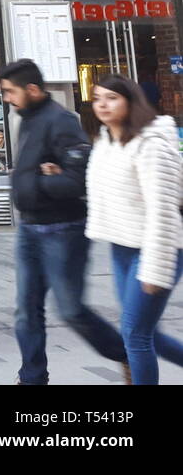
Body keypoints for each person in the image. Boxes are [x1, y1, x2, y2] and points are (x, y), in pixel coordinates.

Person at [1, 58, 129, 386]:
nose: (7, 99)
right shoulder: (26, 118)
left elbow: (77, 180)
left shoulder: (62, 121)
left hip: (63, 230)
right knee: (26, 310)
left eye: (10, 92)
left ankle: (125, 352)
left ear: (32, 89)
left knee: (71, 310)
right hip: (29, 228)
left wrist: (36, 183)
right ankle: (32, 378)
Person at [86, 74, 183, 385]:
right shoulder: (106, 141)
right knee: (144, 333)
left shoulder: (151, 145)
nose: (102, 104)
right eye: (98, 97)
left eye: (112, 97)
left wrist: (155, 271)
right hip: (123, 246)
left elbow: (163, 210)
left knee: (135, 335)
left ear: (131, 102)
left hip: (156, 247)